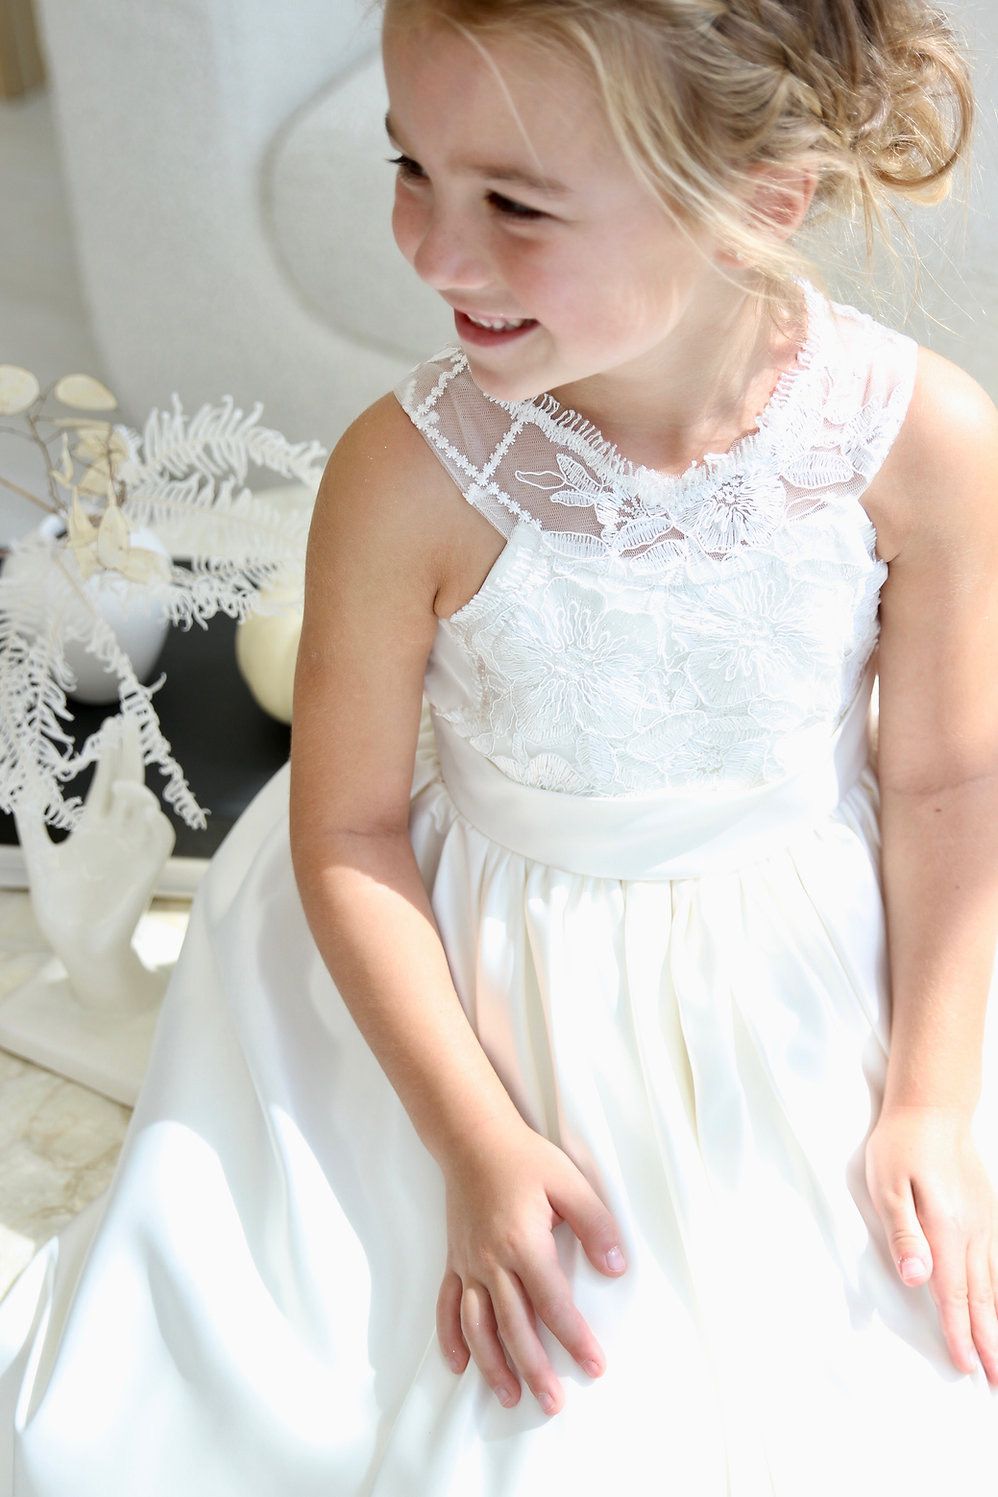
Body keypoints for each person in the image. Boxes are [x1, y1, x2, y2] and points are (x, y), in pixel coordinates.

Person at [2, 0, 997, 1491]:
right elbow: (343, 831)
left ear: (757, 203)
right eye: (411, 169)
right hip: (473, 966)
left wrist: (924, 1093)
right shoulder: (408, 478)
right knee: (506, 1381)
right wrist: (475, 1146)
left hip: (807, 933)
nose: (433, 250)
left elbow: (941, 775)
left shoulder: (920, 440)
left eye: (514, 205)